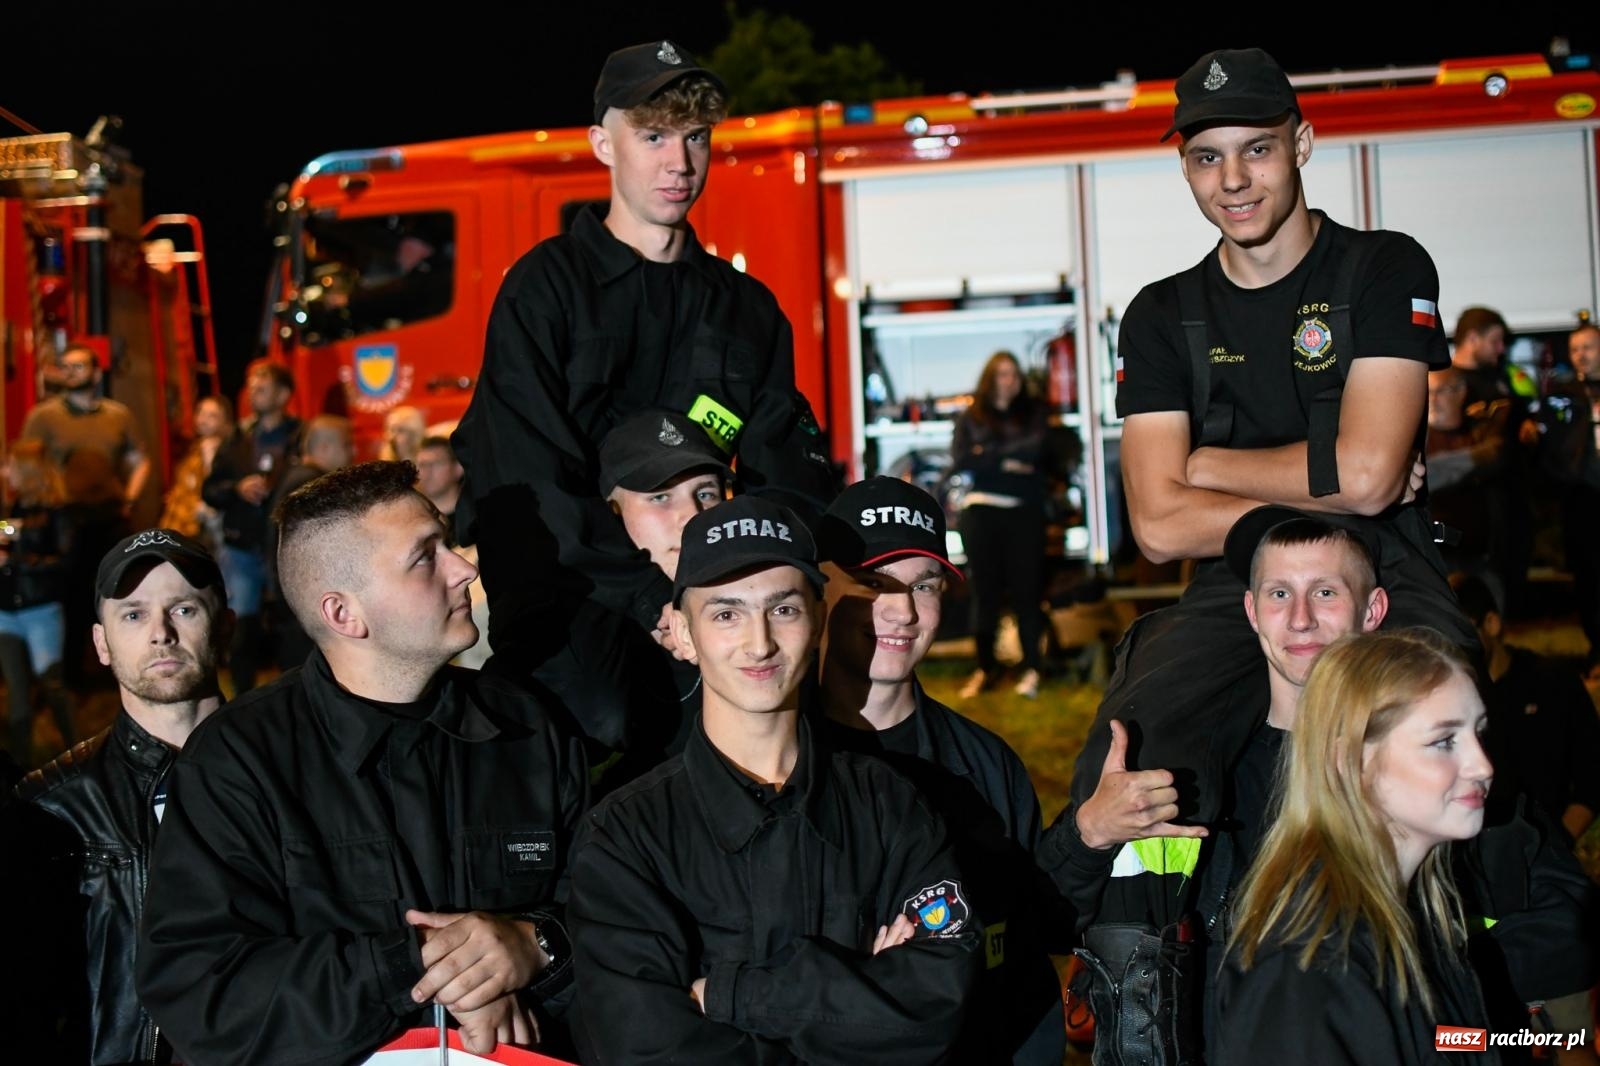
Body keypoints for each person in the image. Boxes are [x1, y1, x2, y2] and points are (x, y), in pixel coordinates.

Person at [1071, 44, 1473, 843]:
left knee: (1445, 718)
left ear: (1302, 145)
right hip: (1238, 581)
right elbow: (1156, 527)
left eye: (1257, 149)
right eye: (1205, 158)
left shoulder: (1382, 267)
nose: (1233, 181)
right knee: (1140, 737)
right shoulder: (1159, 315)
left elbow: (1368, 480)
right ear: (1185, 170)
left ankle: (1468, 934)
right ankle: (1139, 954)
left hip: (1382, 563)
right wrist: (1339, 474)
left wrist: (1208, 470)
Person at [450, 39, 838, 748]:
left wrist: (747, 583)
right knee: (604, 717)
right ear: (603, 143)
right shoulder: (545, 291)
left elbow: (785, 467)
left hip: (713, 586)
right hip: (571, 587)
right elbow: (527, 475)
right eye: (653, 136)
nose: (679, 163)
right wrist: (650, 599)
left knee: (792, 726)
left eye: (695, 138)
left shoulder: (744, 308)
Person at [137, 462, 588, 1063]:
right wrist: (417, 966)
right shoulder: (239, 762)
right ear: (344, 614)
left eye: (449, 542)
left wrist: (536, 944)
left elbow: (619, 913)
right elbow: (204, 991)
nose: (465, 569)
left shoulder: (529, 729)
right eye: (426, 557)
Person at [567, 495, 978, 1063]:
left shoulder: (891, 805)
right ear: (684, 636)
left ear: (818, 620)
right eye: (726, 614)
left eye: (782, 609)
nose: (759, 643)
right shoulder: (625, 836)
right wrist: (856, 998)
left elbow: (936, 1004)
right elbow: (643, 1045)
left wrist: (729, 995)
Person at [816, 475, 1067, 1064]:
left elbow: (1025, 954)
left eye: (924, 585)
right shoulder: (777, 760)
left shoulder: (984, 764)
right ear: (822, 585)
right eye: (875, 583)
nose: (902, 611)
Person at [1215, 629, 1496, 1064]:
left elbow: (1442, 1038)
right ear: (1348, 760)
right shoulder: (1309, 967)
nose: (1482, 765)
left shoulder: (1420, 916)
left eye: (1479, 732)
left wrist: (1532, 1042)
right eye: (1444, 741)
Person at [4, 528, 230, 1064]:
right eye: (133, 614)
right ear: (102, 644)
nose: (160, 634)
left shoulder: (295, 770)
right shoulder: (52, 808)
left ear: (226, 627)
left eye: (184, 610)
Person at [22, 344, 151, 686]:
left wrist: (130, 497)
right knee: (70, 597)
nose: (71, 372)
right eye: (66, 366)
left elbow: (141, 459)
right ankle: (69, 678)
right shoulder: (44, 416)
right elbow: (25, 461)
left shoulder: (117, 415)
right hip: (66, 522)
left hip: (110, 518)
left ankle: (114, 673)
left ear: (96, 373)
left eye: (79, 366)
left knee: (113, 593)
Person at [1455, 574, 1600, 843]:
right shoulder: (1444, 701)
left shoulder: (1553, 683)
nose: (1453, 645)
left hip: (1545, 852)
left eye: (1461, 632)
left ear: (1491, 624)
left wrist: (1556, 846)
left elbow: (1591, 778)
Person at [951, 350, 1052, 700]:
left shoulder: (1034, 413)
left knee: (1028, 593)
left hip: (1023, 513)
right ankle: (985, 669)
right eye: (1001, 374)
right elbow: (963, 458)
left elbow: (1037, 452)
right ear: (990, 377)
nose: (1008, 380)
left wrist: (988, 456)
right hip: (981, 514)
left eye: (1014, 374)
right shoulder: (972, 416)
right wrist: (1008, 461)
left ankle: (1032, 670)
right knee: (985, 593)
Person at [203, 357, 302, 693]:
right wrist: (236, 488)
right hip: (242, 548)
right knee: (241, 628)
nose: (253, 393)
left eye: (263, 387)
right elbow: (210, 490)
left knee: (290, 625)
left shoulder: (299, 436)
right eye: (251, 388)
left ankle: (294, 695)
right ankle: (243, 699)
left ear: (284, 393)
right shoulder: (237, 440)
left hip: (284, 548)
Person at [1450, 306, 1537, 616]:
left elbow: (1522, 417)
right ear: (1472, 338)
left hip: (1513, 494)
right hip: (1475, 501)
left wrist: (1527, 428)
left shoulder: (1504, 378)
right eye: (1495, 341)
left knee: (1512, 570)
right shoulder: (1447, 383)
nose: (1502, 349)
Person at [0, 441, 77, 765]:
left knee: (52, 686)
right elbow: (6, 537)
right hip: (7, 613)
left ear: (28, 472)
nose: (5, 472)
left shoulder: (58, 513)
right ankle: (20, 770)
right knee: (17, 695)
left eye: (11, 466)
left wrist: (14, 560)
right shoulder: (14, 510)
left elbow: (65, 561)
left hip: (41, 612)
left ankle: (81, 754)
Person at [264, 414, 355, 670]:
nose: (353, 451)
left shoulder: (293, 477)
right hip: (306, 607)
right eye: (347, 445)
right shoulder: (312, 484)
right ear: (324, 448)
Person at [1539, 321, 1600, 675]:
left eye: (1588, 347)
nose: (1580, 355)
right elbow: (1551, 451)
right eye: (1575, 349)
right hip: (1581, 498)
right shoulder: (1562, 396)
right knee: (1588, 576)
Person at [159, 394, 234, 549]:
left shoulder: (222, 449)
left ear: (225, 421)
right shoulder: (196, 447)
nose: (203, 419)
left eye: (212, 415)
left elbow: (211, 485)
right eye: (200, 412)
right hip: (180, 522)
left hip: (199, 528)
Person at [415, 434, 465, 528]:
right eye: (422, 464)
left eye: (436, 464)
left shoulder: (476, 517)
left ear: (458, 469)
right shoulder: (412, 520)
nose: (427, 472)